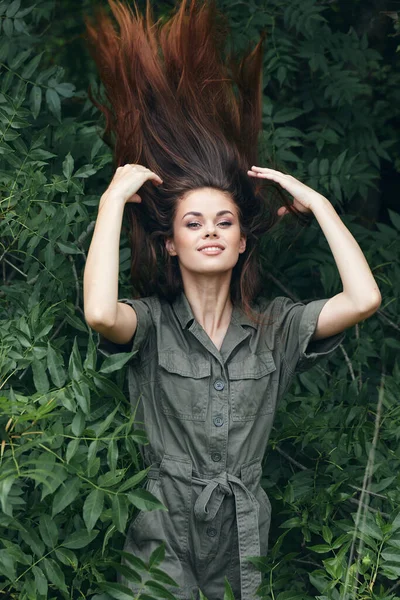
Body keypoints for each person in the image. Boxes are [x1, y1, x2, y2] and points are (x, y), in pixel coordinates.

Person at [83, 1, 382, 598]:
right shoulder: (152, 325)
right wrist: (112, 203)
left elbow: (365, 297)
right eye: (193, 224)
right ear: (170, 245)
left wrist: (319, 203)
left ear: (244, 239)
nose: (212, 232)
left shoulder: (277, 328)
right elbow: (98, 312)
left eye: (224, 221)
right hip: (160, 531)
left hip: (244, 534)